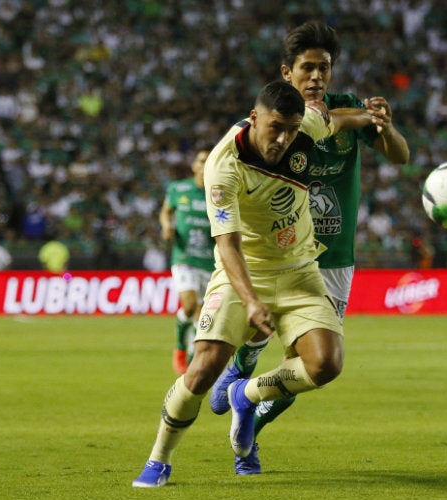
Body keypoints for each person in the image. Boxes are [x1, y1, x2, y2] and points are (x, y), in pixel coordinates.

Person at [132, 80, 373, 487]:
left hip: (299, 270)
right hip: (244, 272)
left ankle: (246, 395)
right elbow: (228, 245)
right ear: (255, 117)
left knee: (326, 364)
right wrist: (252, 302)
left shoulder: (305, 127)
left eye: (292, 129)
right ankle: (159, 458)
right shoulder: (223, 166)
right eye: (275, 127)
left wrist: (370, 115)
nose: (284, 138)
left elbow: (334, 120)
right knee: (205, 367)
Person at [209, 21, 410, 475]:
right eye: (307, 68)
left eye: (324, 68)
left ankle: (249, 415)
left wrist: (387, 128)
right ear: (287, 72)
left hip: (332, 256)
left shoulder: (348, 109)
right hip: (279, 250)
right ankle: (243, 361)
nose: (317, 76)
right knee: (262, 324)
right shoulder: (275, 119)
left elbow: (399, 155)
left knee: (304, 366)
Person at [158, 149, 214, 374]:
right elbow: (165, 212)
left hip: (209, 261)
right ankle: (180, 347)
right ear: (194, 165)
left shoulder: (219, 193)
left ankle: (192, 356)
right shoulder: (178, 189)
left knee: (202, 316)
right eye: (201, 161)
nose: (204, 165)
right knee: (189, 305)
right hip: (184, 257)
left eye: (209, 161)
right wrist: (166, 226)